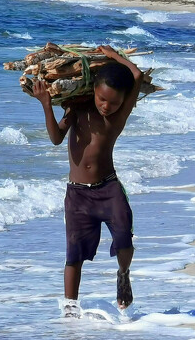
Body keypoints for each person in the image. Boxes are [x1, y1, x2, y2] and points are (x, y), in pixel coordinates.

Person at [32, 46, 143, 318]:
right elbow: (56, 139)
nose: (107, 106)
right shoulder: (77, 110)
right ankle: (70, 307)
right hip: (78, 195)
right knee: (74, 253)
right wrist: (46, 104)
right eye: (102, 99)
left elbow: (137, 75)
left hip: (109, 189)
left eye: (113, 102)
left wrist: (114, 56)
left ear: (123, 101)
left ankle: (123, 273)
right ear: (93, 89)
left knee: (124, 238)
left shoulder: (119, 117)